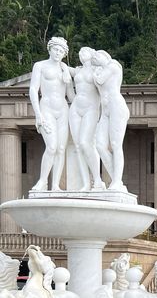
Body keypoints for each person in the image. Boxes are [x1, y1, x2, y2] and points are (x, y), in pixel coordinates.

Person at [29, 37, 74, 192]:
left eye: (61, 51)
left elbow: (71, 96)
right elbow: (33, 89)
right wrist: (38, 114)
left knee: (61, 148)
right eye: (56, 49)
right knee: (52, 147)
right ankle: (42, 182)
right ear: (50, 49)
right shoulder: (40, 66)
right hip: (46, 108)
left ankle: (55, 185)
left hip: (62, 110)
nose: (58, 53)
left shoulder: (64, 69)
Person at [92, 49, 129, 191]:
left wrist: (94, 71)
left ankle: (117, 181)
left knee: (115, 144)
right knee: (100, 145)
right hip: (105, 110)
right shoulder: (101, 69)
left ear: (105, 56)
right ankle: (116, 179)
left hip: (116, 107)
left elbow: (99, 80)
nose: (95, 58)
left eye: (97, 55)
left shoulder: (113, 66)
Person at [69, 46, 105, 192]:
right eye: (79, 51)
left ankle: (97, 179)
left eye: (84, 51)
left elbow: (104, 92)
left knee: (86, 143)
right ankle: (85, 183)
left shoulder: (98, 70)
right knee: (78, 147)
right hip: (76, 108)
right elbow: (60, 65)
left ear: (91, 54)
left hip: (91, 108)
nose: (80, 53)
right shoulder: (77, 70)